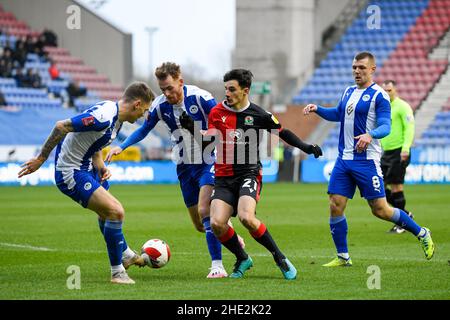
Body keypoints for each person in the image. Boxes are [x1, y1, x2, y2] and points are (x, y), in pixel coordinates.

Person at [183, 68, 322, 280]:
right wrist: (192, 129)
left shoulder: (259, 114)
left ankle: (279, 257)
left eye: (232, 89)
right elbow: (208, 143)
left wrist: (307, 147)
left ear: (245, 90)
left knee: (247, 217)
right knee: (217, 223)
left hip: (248, 173)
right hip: (223, 177)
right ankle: (243, 258)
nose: (227, 93)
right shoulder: (217, 113)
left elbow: (282, 132)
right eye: (226, 89)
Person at [105, 62, 241, 279]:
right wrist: (121, 146)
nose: (167, 93)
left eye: (170, 88)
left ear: (180, 81)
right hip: (184, 167)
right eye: (163, 89)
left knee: (205, 212)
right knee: (199, 224)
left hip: (209, 161)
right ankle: (228, 232)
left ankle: (217, 266)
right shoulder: (160, 106)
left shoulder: (200, 98)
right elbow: (143, 130)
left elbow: (221, 127)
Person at [303, 51, 434, 267]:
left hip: (367, 161)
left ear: (372, 69)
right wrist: (318, 109)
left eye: (361, 67)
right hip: (344, 159)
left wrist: (370, 134)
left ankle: (421, 232)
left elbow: (385, 125)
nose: (356, 71)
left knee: (380, 209)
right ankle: (343, 256)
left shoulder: (379, 95)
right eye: (354, 67)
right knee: (335, 204)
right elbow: (338, 113)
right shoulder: (348, 91)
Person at [18, 82, 155, 284]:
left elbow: (94, 140)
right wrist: (41, 158)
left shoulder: (115, 118)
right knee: (116, 211)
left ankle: (125, 255)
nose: (142, 115)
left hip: (87, 168)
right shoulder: (104, 116)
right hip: (70, 171)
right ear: (136, 104)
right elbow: (61, 126)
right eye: (144, 110)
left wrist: (99, 165)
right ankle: (117, 272)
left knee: (106, 213)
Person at [380, 80, 415, 234]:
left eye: (389, 90)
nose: (387, 93)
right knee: (379, 186)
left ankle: (401, 224)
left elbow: (409, 128)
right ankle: (406, 216)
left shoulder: (403, 106)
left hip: (399, 152)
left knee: (396, 187)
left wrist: (405, 148)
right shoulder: (383, 107)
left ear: (395, 90)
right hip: (386, 153)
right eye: (385, 90)